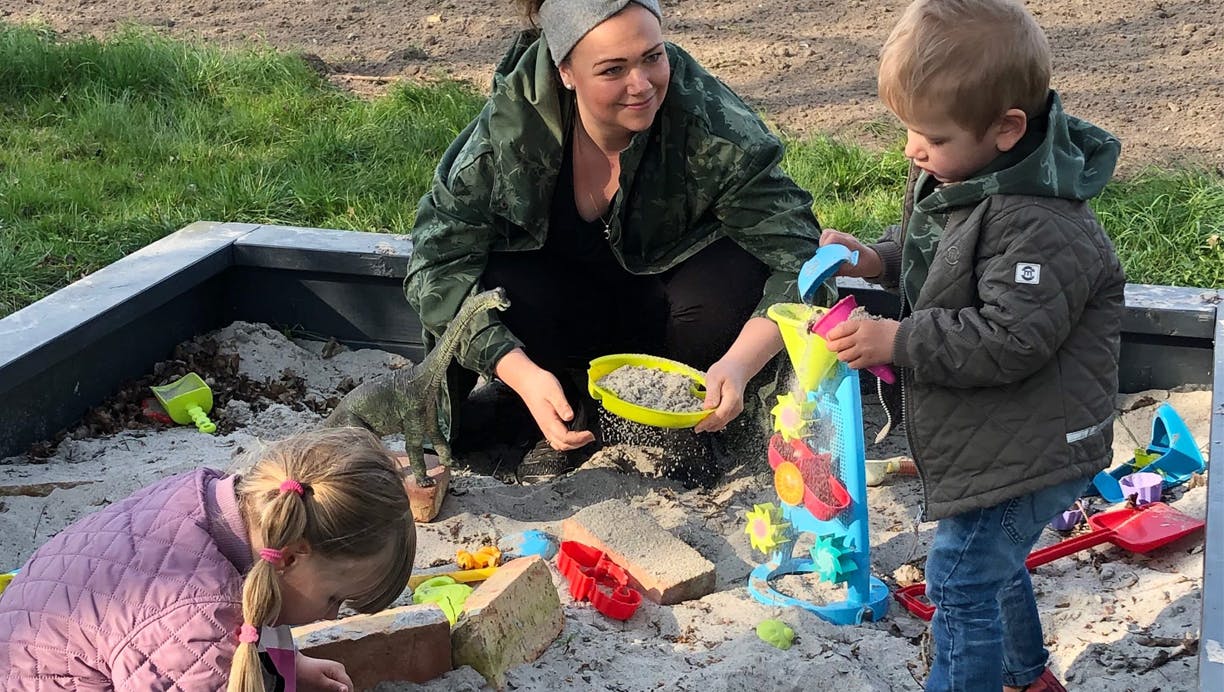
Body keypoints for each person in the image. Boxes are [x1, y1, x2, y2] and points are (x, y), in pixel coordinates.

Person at [818, 1, 1125, 690]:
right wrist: (876, 260)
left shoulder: (1044, 224)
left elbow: (1011, 338)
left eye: (928, 135)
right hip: (1001, 435)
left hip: (1043, 445)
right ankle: (1027, 675)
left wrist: (898, 339)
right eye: (906, 131)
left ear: (1007, 129)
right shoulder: (972, 173)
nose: (910, 151)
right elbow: (947, 257)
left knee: (958, 576)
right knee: (989, 561)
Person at [404, 0, 825, 483]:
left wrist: (739, 364)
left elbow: (801, 256)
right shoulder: (506, 138)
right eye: (612, 70)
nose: (641, 85)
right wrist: (518, 371)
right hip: (557, 320)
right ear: (565, 71)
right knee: (493, 284)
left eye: (653, 56)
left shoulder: (712, 123)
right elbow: (434, 268)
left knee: (738, 270)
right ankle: (562, 407)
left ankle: (675, 424)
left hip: (676, 326)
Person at [0, 427, 416, 692]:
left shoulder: (217, 502)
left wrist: (289, 665)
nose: (329, 616)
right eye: (334, 598)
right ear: (290, 556)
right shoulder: (195, 626)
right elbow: (195, 640)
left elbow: (258, 602)